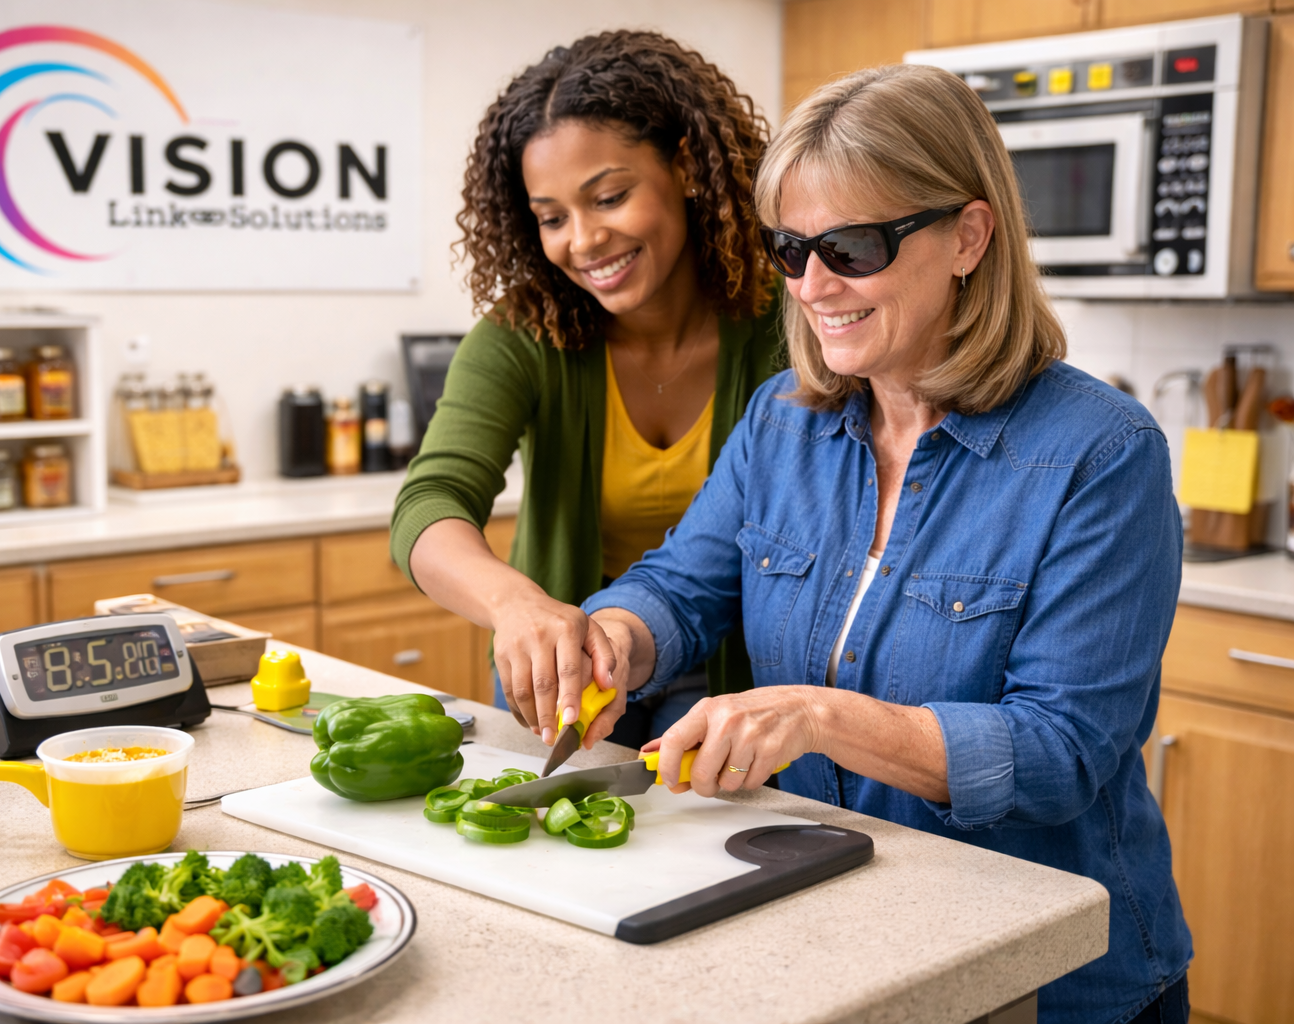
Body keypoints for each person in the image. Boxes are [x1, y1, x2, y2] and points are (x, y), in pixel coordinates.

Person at [580, 64, 1192, 1024]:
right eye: (791, 249)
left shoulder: (1102, 454)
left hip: (1050, 978)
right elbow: (685, 587)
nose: (813, 286)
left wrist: (822, 717)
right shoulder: (781, 421)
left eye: (852, 247)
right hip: (843, 939)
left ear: (968, 237)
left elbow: (1061, 751)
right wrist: (614, 635)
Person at [390, 31, 785, 749]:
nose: (583, 240)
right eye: (552, 217)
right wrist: (516, 604)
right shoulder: (524, 336)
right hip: (569, 674)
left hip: (740, 671)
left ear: (687, 167)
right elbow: (430, 503)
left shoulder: (789, 327)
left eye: (609, 197)